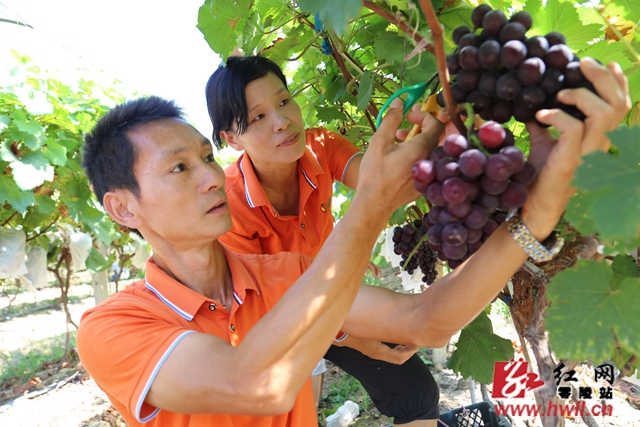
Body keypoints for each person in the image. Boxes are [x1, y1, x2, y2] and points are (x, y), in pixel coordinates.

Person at [76, 56, 630, 427]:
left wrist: (536, 213)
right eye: (178, 168)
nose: (209, 176)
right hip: (316, 311)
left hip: (321, 294)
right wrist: (366, 212)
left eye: (203, 157)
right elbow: (255, 384)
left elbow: (429, 319)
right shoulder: (112, 329)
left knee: (413, 392)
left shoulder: (281, 271)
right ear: (123, 208)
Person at [206, 55, 439, 425]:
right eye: (258, 117)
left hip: (331, 303)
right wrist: (354, 338)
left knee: (416, 394)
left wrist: (430, 139)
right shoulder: (229, 206)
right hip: (271, 324)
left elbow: (382, 185)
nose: (283, 122)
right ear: (232, 139)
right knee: (293, 415)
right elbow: (266, 305)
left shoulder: (323, 146)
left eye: (284, 101)